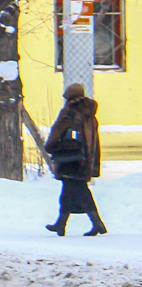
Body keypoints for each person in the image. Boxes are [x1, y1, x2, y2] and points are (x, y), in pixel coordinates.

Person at [45, 83, 106, 237]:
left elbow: (57, 131)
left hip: (70, 158)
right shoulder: (89, 113)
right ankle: (62, 223)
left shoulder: (69, 112)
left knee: (78, 191)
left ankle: (95, 223)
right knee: (71, 191)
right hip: (84, 158)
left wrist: (50, 146)